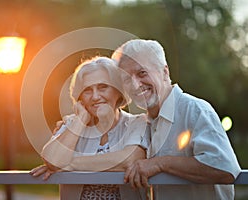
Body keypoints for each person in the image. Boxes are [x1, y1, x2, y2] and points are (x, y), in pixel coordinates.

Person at [111, 39, 241, 200]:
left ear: (165, 72)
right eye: (126, 79)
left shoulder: (194, 110)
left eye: (142, 73)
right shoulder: (143, 123)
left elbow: (225, 169)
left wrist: (160, 163)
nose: (135, 85)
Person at [31, 56, 148, 199]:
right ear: (80, 97)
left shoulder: (138, 123)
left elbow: (128, 161)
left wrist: (68, 164)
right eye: (87, 90)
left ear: (119, 90)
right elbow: (51, 159)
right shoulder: (72, 124)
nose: (95, 97)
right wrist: (80, 121)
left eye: (102, 87)